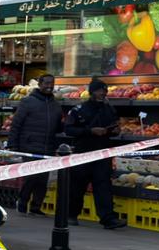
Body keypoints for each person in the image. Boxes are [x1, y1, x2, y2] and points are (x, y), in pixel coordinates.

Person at [63, 78, 127, 230]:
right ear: (91, 92)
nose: (102, 94)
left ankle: (108, 219)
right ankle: (71, 214)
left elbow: (114, 127)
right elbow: (69, 130)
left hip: (102, 153)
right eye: (99, 91)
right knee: (77, 186)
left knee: (103, 186)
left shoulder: (109, 109)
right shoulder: (79, 109)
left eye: (104, 91)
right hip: (83, 153)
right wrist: (90, 131)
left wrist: (115, 131)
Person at [7, 73, 65, 214]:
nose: (49, 86)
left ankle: (36, 207)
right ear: (39, 84)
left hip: (48, 146)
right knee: (31, 177)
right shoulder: (27, 102)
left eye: (52, 83)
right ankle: (22, 202)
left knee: (43, 179)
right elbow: (16, 124)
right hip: (29, 146)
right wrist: (12, 145)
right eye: (46, 83)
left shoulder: (56, 105)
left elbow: (58, 127)